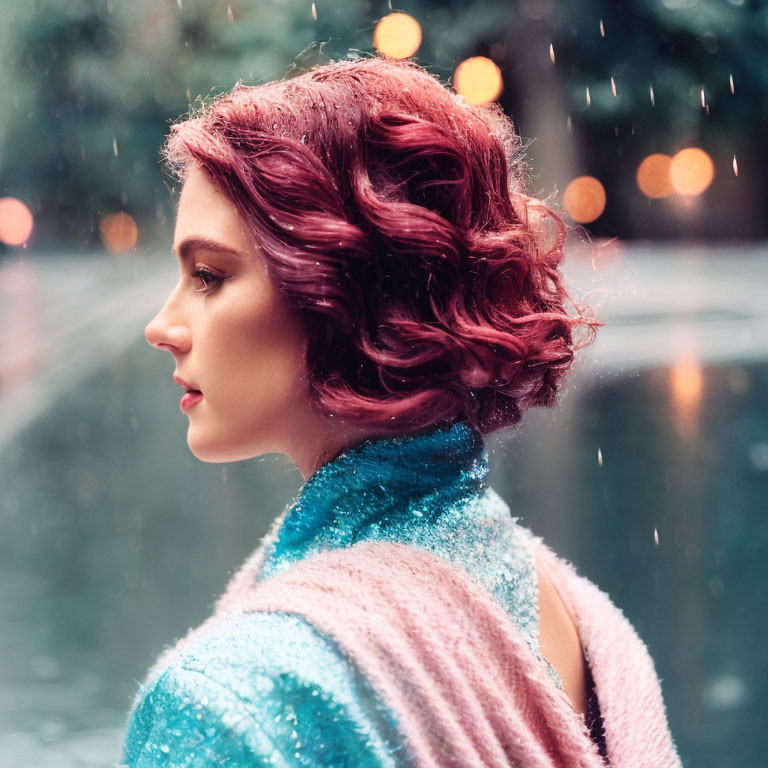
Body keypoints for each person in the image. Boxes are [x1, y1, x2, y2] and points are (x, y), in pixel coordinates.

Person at [121, 55, 682, 767]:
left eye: (209, 275)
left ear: (339, 289)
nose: (162, 325)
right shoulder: (577, 620)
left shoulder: (233, 704)